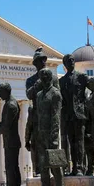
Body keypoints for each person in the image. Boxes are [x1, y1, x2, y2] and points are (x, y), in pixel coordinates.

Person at [31, 69, 65, 186]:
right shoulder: (39, 95)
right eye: (42, 77)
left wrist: (54, 137)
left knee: (55, 164)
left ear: (50, 78)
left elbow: (56, 117)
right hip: (40, 134)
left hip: (52, 135)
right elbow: (38, 116)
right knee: (43, 165)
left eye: (46, 77)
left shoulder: (56, 94)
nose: (44, 79)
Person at [26, 47, 59, 175]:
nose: (43, 62)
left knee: (52, 147)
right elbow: (29, 95)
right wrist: (39, 82)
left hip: (50, 117)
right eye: (40, 60)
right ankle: (39, 172)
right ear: (35, 63)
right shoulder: (31, 80)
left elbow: (58, 98)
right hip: (37, 117)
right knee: (37, 147)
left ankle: (55, 173)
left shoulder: (54, 79)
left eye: (44, 59)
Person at [59, 54, 88, 176]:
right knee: (71, 142)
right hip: (68, 116)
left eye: (72, 60)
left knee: (80, 142)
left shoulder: (82, 77)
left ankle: (80, 167)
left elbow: (88, 94)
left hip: (79, 115)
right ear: (64, 65)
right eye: (68, 61)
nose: (71, 62)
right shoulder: (61, 81)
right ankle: (73, 168)